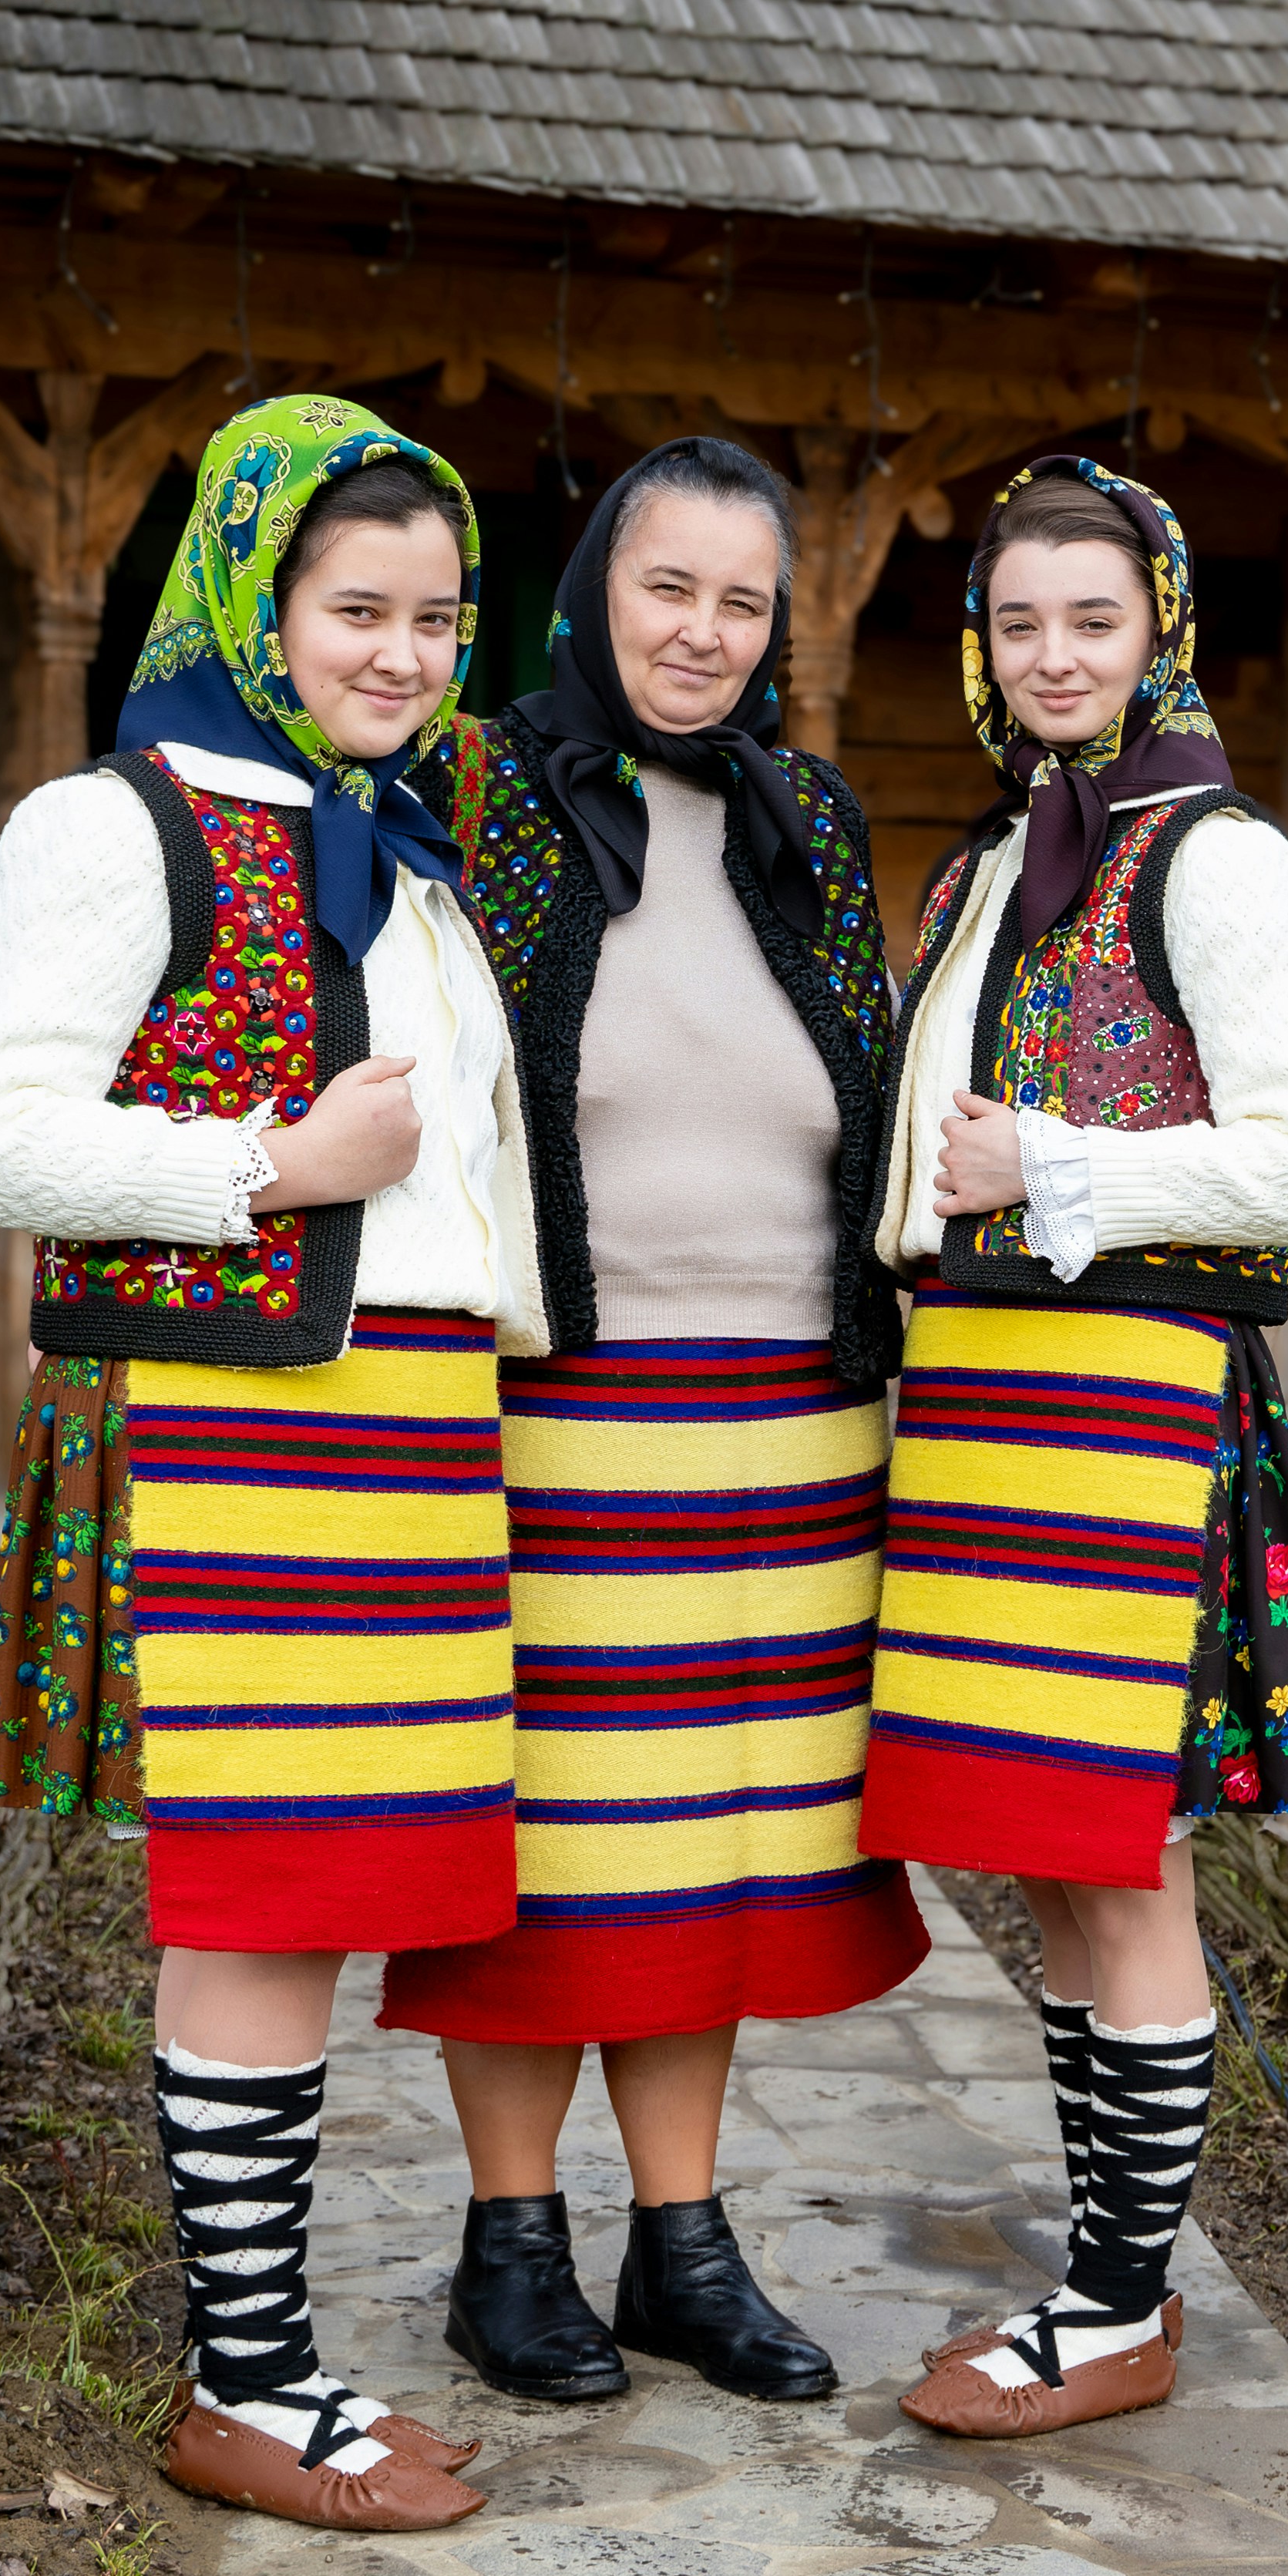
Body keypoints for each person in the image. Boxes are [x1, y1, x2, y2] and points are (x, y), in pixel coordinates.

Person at [0, 396, 530, 2534]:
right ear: (253, 594)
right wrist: (278, 1158)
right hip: (246, 1422)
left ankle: (269, 2356)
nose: (399, 650)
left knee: (339, 1896)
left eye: (437, 615)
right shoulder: (119, 822)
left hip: (409, 1425)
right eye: (356, 606)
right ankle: (247, 2380)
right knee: (261, 1905)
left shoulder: (400, 833)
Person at [386, 435, 925, 2406]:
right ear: (595, 586)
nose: (702, 632)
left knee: (723, 1848)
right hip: (560, 1405)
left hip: (790, 1410)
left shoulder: (803, 811)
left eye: (742, 600)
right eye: (666, 586)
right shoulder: (480, 790)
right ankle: (506, 2244)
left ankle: (680, 2245)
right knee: (550, 1841)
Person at [856, 457, 1288, 2437]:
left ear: (1160, 629)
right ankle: (1096, 2283)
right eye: (1016, 621)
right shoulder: (994, 861)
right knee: (1052, 1860)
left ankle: (1126, 2307)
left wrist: (1051, 1158)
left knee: (1123, 1857)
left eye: (1093, 619)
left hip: (1131, 1399)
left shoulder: (1220, 859)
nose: (1054, 656)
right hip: (987, 1399)